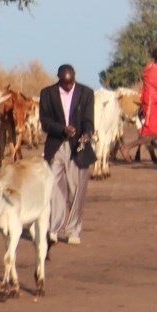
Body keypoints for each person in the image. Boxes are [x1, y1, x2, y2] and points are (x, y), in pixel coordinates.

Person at [39, 64, 95, 244]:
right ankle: (53, 227)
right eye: (65, 83)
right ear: (59, 79)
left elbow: (88, 120)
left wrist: (86, 135)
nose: (69, 86)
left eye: (71, 82)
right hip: (56, 145)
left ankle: (73, 231)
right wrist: (62, 129)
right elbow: (45, 122)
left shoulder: (86, 93)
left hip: (77, 148)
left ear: (75, 78)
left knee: (77, 188)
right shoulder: (47, 94)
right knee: (54, 188)